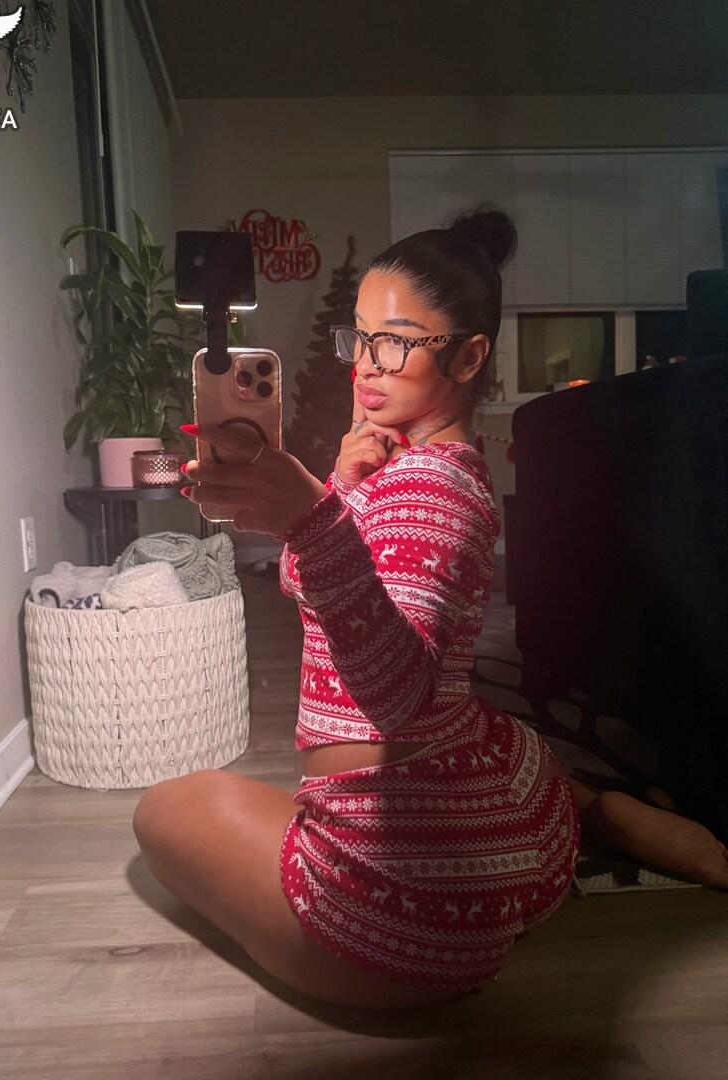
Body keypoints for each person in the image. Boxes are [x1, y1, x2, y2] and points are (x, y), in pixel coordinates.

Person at [132, 205, 728, 1012]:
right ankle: (595, 813)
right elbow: (328, 590)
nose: (366, 365)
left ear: (470, 355)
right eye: (359, 338)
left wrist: (314, 518)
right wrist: (340, 489)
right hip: (495, 833)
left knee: (162, 811)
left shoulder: (433, 497)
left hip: (395, 915)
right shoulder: (441, 466)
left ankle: (588, 816)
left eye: (396, 342)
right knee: (478, 727)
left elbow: (400, 698)